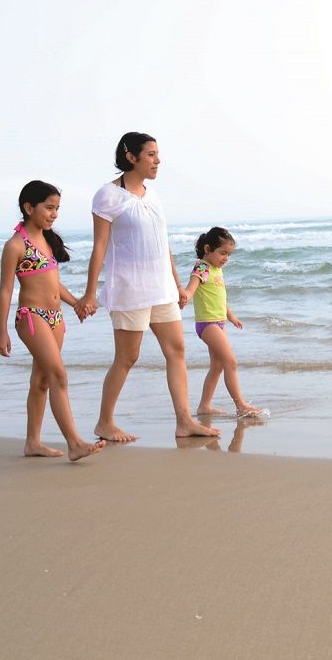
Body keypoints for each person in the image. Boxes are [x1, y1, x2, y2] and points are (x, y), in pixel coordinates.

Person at [77, 133, 220, 442]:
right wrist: (90, 292)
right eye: (152, 154)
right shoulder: (108, 196)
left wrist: (178, 284)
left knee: (177, 350)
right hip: (129, 289)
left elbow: (162, 245)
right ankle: (104, 423)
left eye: (158, 154)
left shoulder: (152, 196)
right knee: (127, 358)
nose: (158, 160)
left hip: (161, 288)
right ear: (131, 157)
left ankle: (184, 421)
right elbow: (99, 246)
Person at [0, 180, 105, 461]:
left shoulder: (47, 240)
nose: (54, 214)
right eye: (49, 208)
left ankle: (32, 443)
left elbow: (53, 285)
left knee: (42, 380)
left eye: (57, 209)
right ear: (28, 207)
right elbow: (6, 290)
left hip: (55, 319)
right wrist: (2, 332)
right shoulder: (15, 246)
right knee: (59, 375)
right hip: (31, 318)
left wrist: (77, 304)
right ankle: (75, 443)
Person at [182, 227, 264, 418]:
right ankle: (241, 405)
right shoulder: (202, 267)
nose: (226, 257)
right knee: (231, 362)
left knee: (217, 366)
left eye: (229, 254)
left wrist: (231, 316)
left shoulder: (217, 269)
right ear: (208, 248)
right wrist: (184, 296)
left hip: (219, 323)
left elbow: (220, 297)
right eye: (223, 253)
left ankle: (204, 406)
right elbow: (191, 289)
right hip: (207, 325)